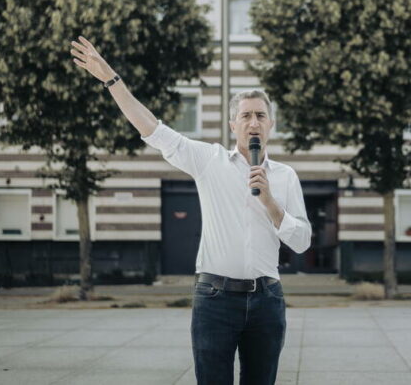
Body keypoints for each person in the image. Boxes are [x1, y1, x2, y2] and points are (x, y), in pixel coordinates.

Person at [70, 37, 311, 385]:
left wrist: (271, 203)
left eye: (260, 115)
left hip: (267, 300)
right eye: (245, 116)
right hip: (215, 300)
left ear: (271, 124)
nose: (253, 122)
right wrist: (111, 80)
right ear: (233, 126)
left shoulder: (286, 177)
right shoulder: (208, 160)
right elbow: (152, 130)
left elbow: (302, 242)